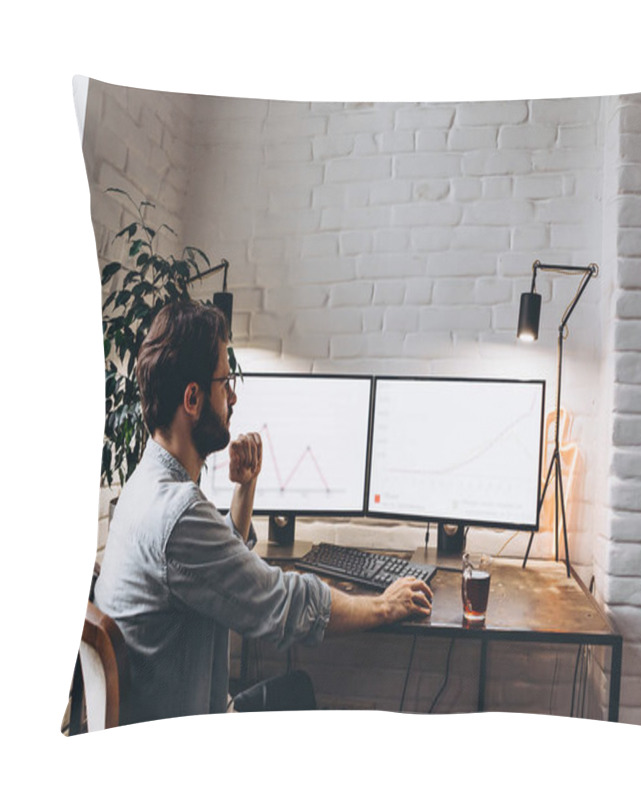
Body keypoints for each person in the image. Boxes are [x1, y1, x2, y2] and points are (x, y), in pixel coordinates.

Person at [93, 300, 433, 724]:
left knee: (298, 688)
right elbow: (283, 604)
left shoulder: (144, 486)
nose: (232, 396)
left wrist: (245, 486)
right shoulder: (177, 513)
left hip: (162, 712)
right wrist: (384, 605)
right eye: (224, 382)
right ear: (193, 398)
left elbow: (214, 572)